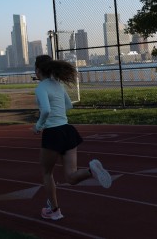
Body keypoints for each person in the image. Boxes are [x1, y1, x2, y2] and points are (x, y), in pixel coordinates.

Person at [33, 55, 112, 221]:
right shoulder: (58, 85)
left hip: (52, 133)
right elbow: (68, 105)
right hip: (68, 131)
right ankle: (91, 170)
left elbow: (46, 110)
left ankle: (54, 210)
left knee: (47, 173)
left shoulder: (41, 87)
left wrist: (38, 126)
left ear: (38, 70)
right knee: (70, 176)